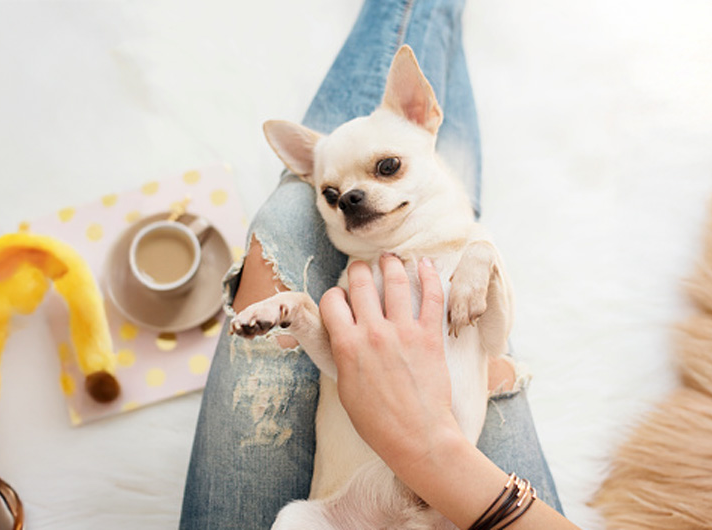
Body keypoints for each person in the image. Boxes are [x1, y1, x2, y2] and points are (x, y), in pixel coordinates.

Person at [179, 1, 570, 528]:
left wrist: (479, 258)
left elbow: (365, 369)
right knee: (438, 189)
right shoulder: (364, 273)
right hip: (451, 505)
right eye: (333, 194)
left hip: (351, 511)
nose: (351, 201)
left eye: (386, 168)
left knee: (287, 215)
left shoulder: (400, 266)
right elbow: (478, 346)